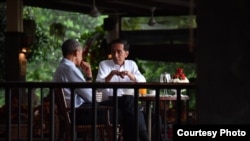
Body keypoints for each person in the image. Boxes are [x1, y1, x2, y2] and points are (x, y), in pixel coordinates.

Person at [53, 38, 149, 141]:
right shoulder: (69, 69)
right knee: (128, 110)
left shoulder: (64, 67)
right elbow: (91, 97)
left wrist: (89, 77)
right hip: (81, 113)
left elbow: (86, 93)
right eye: (81, 53)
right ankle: (145, 139)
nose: (82, 56)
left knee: (129, 103)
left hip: (80, 111)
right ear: (77, 52)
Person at [96, 38, 149, 141]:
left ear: (126, 53)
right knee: (130, 100)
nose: (115, 55)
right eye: (113, 51)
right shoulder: (104, 64)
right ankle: (145, 138)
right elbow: (98, 85)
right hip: (110, 102)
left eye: (119, 52)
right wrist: (110, 75)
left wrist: (131, 75)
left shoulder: (131, 64)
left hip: (127, 105)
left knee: (149, 116)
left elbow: (143, 81)